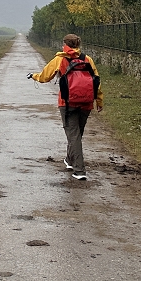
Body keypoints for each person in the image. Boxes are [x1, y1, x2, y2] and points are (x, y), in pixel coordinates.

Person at [29, 33, 103, 181]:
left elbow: (45, 76)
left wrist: (33, 76)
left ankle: (79, 170)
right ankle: (70, 160)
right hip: (86, 103)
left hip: (67, 103)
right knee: (77, 133)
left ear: (65, 45)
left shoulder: (60, 59)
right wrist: (99, 101)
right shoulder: (87, 59)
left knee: (73, 135)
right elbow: (96, 81)